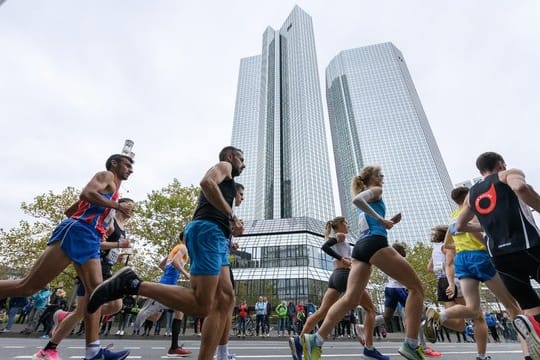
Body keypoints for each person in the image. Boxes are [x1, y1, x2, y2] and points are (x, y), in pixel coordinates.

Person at [87, 146, 245, 360]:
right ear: (229, 157)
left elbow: (203, 207)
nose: (243, 165)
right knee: (202, 306)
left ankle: (217, 356)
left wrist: (229, 226)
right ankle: (133, 284)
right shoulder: (224, 166)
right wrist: (230, 216)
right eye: (241, 159)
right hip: (208, 232)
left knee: (226, 299)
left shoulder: (227, 188)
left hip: (214, 235)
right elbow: (206, 182)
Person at [0, 152, 133, 360]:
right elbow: (86, 193)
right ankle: (87, 351)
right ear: (114, 164)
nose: (131, 169)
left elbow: (71, 208)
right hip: (78, 232)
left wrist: (99, 219)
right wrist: (115, 206)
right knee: (27, 287)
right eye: (127, 165)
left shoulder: (112, 189)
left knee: (95, 294)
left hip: (89, 237)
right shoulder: (106, 175)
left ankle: (94, 352)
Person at [300, 166, 425, 360]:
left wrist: (388, 221)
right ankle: (411, 344)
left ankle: (316, 340)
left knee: (350, 299)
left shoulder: (368, 199)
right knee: (416, 288)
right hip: (375, 244)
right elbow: (357, 201)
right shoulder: (376, 191)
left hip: (361, 247)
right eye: (380, 175)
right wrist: (382, 219)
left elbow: (371, 223)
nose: (382, 179)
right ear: (372, 179)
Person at [432, 183, 533, 359]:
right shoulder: (473, 212)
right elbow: (478, 235)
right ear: (469, 196)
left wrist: (461, 244)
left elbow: (446, 246)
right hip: (480, 257)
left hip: (462, 261)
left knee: (472, 308)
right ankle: (528, 352)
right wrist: (489, 246)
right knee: (512, 306)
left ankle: (440, 315)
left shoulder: (453, 220)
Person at [455, 152, 540, 359]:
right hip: (529, 247)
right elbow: (521, 188)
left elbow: (460, 225)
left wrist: (484, 225)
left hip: (501, 258)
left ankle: (532, 339)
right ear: (500, 164)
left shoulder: (471, 194)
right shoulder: (508, 173)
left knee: (529, 306)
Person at [33, 197, 136, 360]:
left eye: (133, 207)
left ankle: (64, 319)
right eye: (128, 204)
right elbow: (94, 243)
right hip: (93, 265)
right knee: (94, 308)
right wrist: (118, 245)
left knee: (114, 306)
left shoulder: (123, 228)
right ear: (118, 205)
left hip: (106, 267)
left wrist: (118, 255)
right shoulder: (110, 221)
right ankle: (49, 349)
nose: (131, 207)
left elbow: (109, 249)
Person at [289, 216, 388, 360]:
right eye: (346, 223)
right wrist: (343, 259)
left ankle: (300, 341)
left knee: (321, 311)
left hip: (335, 277)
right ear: (340, 225)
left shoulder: (339, 237)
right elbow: (325, 247)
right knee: (371, 309)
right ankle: (369, 348)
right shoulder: (340, 235)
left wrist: (345, 259)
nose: (348, 225)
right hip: (345, 275)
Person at [132, 234, 191, 356]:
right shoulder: (183, 248)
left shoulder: (174, 250)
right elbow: (175, 262)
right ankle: (174, 348)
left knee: (156, 318)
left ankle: (174, 347)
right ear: (186, 238)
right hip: (167, 286)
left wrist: (171, 273)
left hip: (166, 284)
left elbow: (162, 265)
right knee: (179, 310)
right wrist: (186, 273)